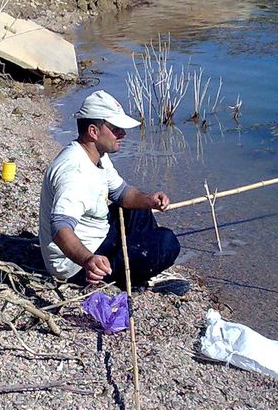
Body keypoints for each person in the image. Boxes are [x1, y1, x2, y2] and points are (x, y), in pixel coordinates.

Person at [39, 90, 180, 287]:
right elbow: (60, 228)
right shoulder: (75, 173)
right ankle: (127, 275)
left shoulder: (97, 155)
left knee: (140, 212)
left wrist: (149, 200)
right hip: (75, 265)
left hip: (95, 236)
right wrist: (88, 260)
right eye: (115, 128)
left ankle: (137, 267)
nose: (122, 133)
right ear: (93, 132)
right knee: (167, 242)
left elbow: (121, 193)